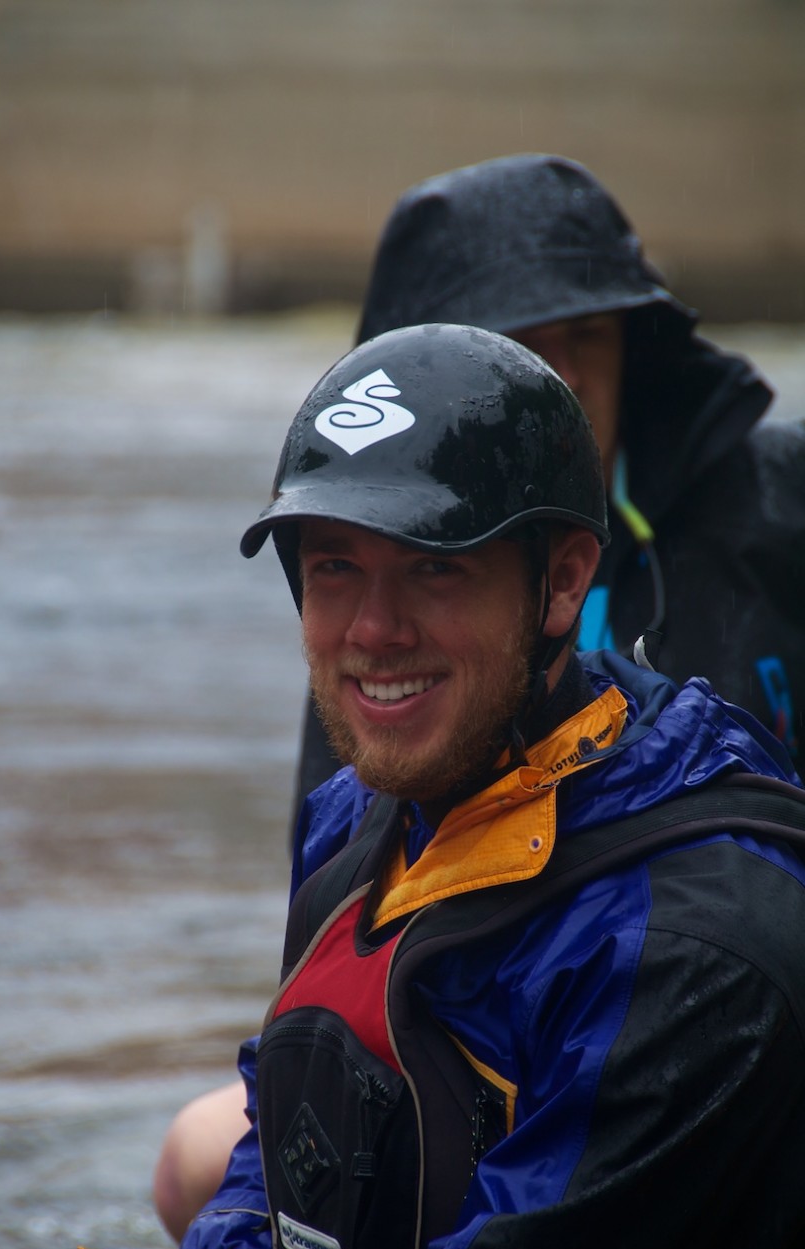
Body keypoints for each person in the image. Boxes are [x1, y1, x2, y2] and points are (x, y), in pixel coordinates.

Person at [155, 153, 805, 1238]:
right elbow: (272, 1163)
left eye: (436, 564)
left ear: (564, 580)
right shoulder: (357, 813)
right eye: (335, 568)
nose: (373, 630)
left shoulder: (695, 946)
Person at [294, 153, 805, 809]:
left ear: (634, 350)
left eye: (588, 335)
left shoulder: (776, 499)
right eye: (520, 346)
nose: (564, 374)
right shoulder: (379, 620)